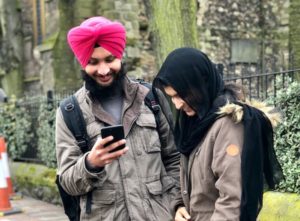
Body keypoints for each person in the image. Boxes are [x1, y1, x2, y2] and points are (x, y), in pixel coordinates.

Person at [55, 16, 180, 221]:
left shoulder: (151, 98)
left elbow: (174, 158)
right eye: (93, 63)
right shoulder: (70, 112)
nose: (103, 70)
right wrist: (91, 163)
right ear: (83, 64)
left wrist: (177, 203)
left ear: (120, 57)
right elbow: (67, 181)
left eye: (110, 59)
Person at [152, 47, 283, 221]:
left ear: (199, 84)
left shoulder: (229, 126)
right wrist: (179, 205)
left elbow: (232, 201)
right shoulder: (194, 122)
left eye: (180, 95)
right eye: (172, 97)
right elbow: (191, 178)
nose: (177, 105)